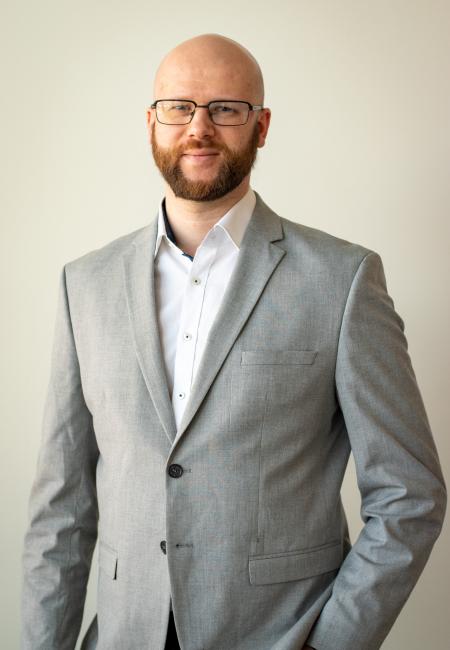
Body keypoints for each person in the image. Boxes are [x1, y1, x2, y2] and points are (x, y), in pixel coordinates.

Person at [21, 33, 446, 650]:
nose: (199, 127)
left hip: (277, 633)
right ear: (151, 123)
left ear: (261, 126)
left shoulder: (343, 280)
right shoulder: (84, 284)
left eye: (225, 108)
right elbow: (61, 508)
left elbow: (409, 496)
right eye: (179, 107)